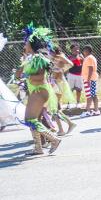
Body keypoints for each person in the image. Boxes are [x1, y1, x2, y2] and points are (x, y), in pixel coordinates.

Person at [16, 24, 61, 155]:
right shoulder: (31, 58)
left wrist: (26, 76)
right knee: (33, 120)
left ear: (31, 44)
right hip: (37, 91)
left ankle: (54, 139)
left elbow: (40, 76)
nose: (24, 46)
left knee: (30, 120)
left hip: (39, 91)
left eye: (26, 43)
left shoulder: (37, 57)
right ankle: (38, 148)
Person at [50, 46, 77, 135]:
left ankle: (63, 128)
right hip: (55, 84)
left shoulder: (59, 57)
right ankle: (68, 124)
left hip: (58, 84)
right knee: (55, 108)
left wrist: (61, 69)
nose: (50, 53)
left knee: (54, 108)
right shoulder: (53, 59)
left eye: (51, 51)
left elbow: (70, 64)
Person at [80, 45, 100, 117]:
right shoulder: (90, 58)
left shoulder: (89, 58)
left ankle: (87, 111)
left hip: (89, 79)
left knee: (89, 95)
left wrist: (88, 80)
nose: (83, 52)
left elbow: (91, 69)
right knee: (93, 94)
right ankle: (96, 110)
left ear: (87, 51)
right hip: (92, 79)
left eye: (84, 50)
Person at [67, 43, 84, 108]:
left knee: (79, 89)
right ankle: (69, 103)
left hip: (79, 75)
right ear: (71, 50)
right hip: (71, 75)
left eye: (77, 49)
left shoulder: (81, 56)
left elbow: (84, 64)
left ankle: (78, 103)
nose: (77, 50)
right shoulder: (69, 57)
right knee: (70, 89)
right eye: (75, 49)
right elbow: (67, 66)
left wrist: (82, 58)